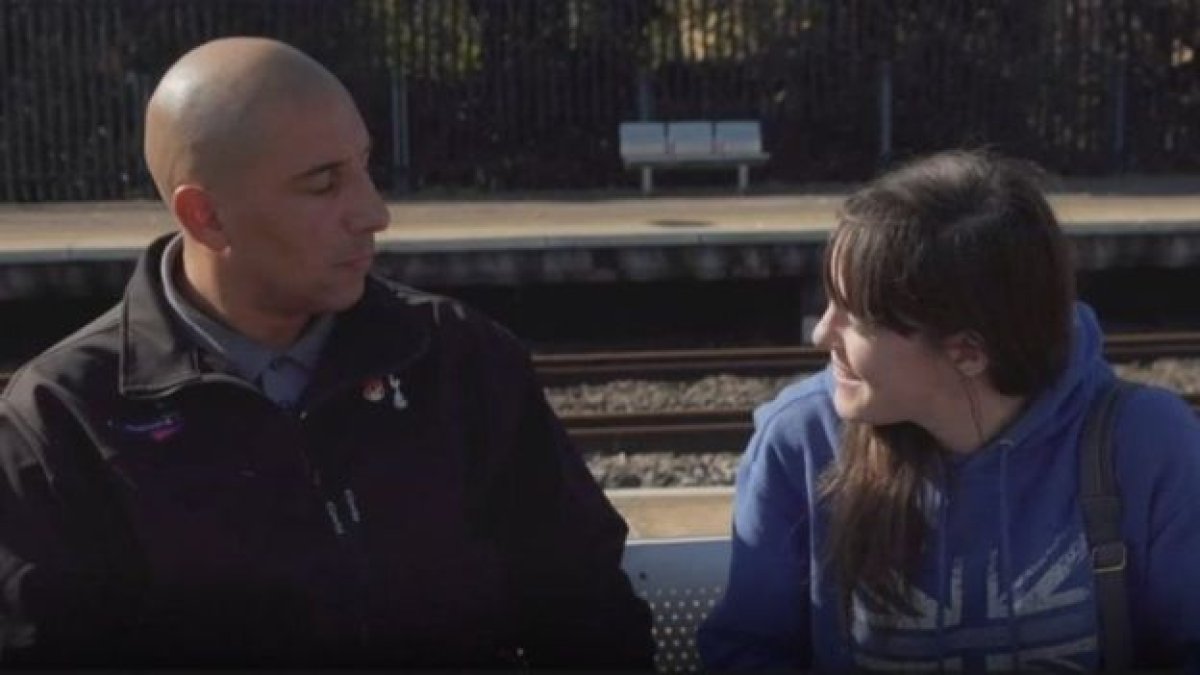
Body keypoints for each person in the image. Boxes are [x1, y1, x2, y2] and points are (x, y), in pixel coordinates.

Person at [0, 37, 653, 668]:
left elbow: (589, 614)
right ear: (206, 216)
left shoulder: (459, 359)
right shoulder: (61, 422)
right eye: (323, 184)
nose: (374, 212)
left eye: (364, 166)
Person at [697, 150, 1200, 671]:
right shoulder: (802, 441)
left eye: (857, 319)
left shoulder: (1145, 443)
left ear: (968, 352)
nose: (822, 333)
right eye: (828, 303)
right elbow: (746, 651)